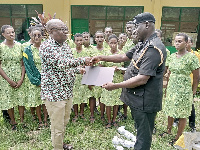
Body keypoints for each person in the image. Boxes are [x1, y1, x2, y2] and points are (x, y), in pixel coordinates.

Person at [91, 12, 167, 150]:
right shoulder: (143, 44)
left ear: (147, 24)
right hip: (137, 99)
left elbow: (142, 79)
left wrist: (115, 86)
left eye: (136, 26)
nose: (133, 30)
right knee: (140, 130)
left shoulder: (154, 48)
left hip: (145, 101)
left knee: (144, 137)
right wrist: (102, 57)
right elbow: (123, 56)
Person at [39, 19, 90, 150]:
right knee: (57, 126)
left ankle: (60, 145)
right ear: (51, 32)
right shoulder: (46, 47)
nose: (66, 32)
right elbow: (60, 63)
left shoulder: (65, 45)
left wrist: (78, 70)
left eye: (66, 28)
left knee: (64, 121)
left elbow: (68, 65)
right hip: (54, 93)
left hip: (66, 91)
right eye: (62, 29)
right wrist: (83, 60)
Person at [163, 33, 199, 145]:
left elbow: (197, 75)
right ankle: (168, 130)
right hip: (172, 86)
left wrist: (193, 90)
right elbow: (168, 73)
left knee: (183, 112)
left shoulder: (191, 57)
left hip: (184, 88)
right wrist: (166, 87)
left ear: (186, 43)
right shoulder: (172, 56)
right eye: (176, 41)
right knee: (170, 109)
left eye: (180, 41)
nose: (177, 43)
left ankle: (178, 136)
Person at [0, 25, 26, 130]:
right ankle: (13, 122)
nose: (12, 34)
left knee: (21, 100)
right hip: (6, 78)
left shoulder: (20, 46)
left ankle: (22, 121)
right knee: (9, 100)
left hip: (19, 76)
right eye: (9, 32)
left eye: (13, 32)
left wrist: (21, 79)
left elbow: (23, 64)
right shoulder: (1, 47)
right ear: (3, 35)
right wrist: (8, 80)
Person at [23, 27, 48, 129]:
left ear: (42, 36)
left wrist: (47, 80)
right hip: (35, 81)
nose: (36, 37)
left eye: (39, 35)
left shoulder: (46, 49)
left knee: (45, 101)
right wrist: (36, 81)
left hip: (47, 80)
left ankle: (46, 119)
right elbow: (27, 67)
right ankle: (40, 120)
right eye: (34, 35)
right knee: (37, 101)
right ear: (31, 36)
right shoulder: (27, 50)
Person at [100, 34, 124, 128]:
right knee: (108, 102)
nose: (113, 45)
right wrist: (110, 68)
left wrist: (119, 69)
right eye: (111, 43)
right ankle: (109, 121)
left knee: (116, 102)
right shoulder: (105, 54)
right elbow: (100, 67)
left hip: (117, 81)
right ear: (108, 43)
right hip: (107, 80)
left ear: (117, 43)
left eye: (115, 43)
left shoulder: (122, 54)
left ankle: (114, 120)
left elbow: (125, 68)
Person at [71, 33, 92, 122]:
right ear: (74, 41)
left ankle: (82, 113)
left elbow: (90, 64)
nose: (79, 42)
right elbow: (70, 64)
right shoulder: (71, 51)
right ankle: (76, 114)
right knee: (75, 96)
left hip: (84, 75)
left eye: (81, 40)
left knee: (83, 95)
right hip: (74, 76)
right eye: (77, 40)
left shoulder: (86, 51)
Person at [187, 36, 200, 132]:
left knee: (190, 105)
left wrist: (195, 88)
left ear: (192, 44)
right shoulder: (178, 55)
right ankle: (176, 120)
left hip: (190, 83)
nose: (186, 44)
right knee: (177, 103)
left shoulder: (195, 55)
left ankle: (192, 124)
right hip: (179, 84)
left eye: (188, 42)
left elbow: (197, 71)